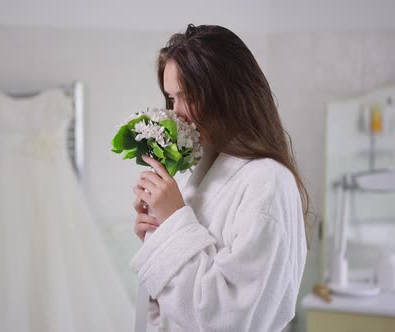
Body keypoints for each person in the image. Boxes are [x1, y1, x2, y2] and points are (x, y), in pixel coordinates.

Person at [129, 24, 309, 331]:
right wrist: (157, 235)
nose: (177, 114)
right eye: (172, 99)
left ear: (229, 95)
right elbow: (174, 309)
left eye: (188, 97)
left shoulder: (268, 182)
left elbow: (232, 316)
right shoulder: (198, 174)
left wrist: (174, 222)